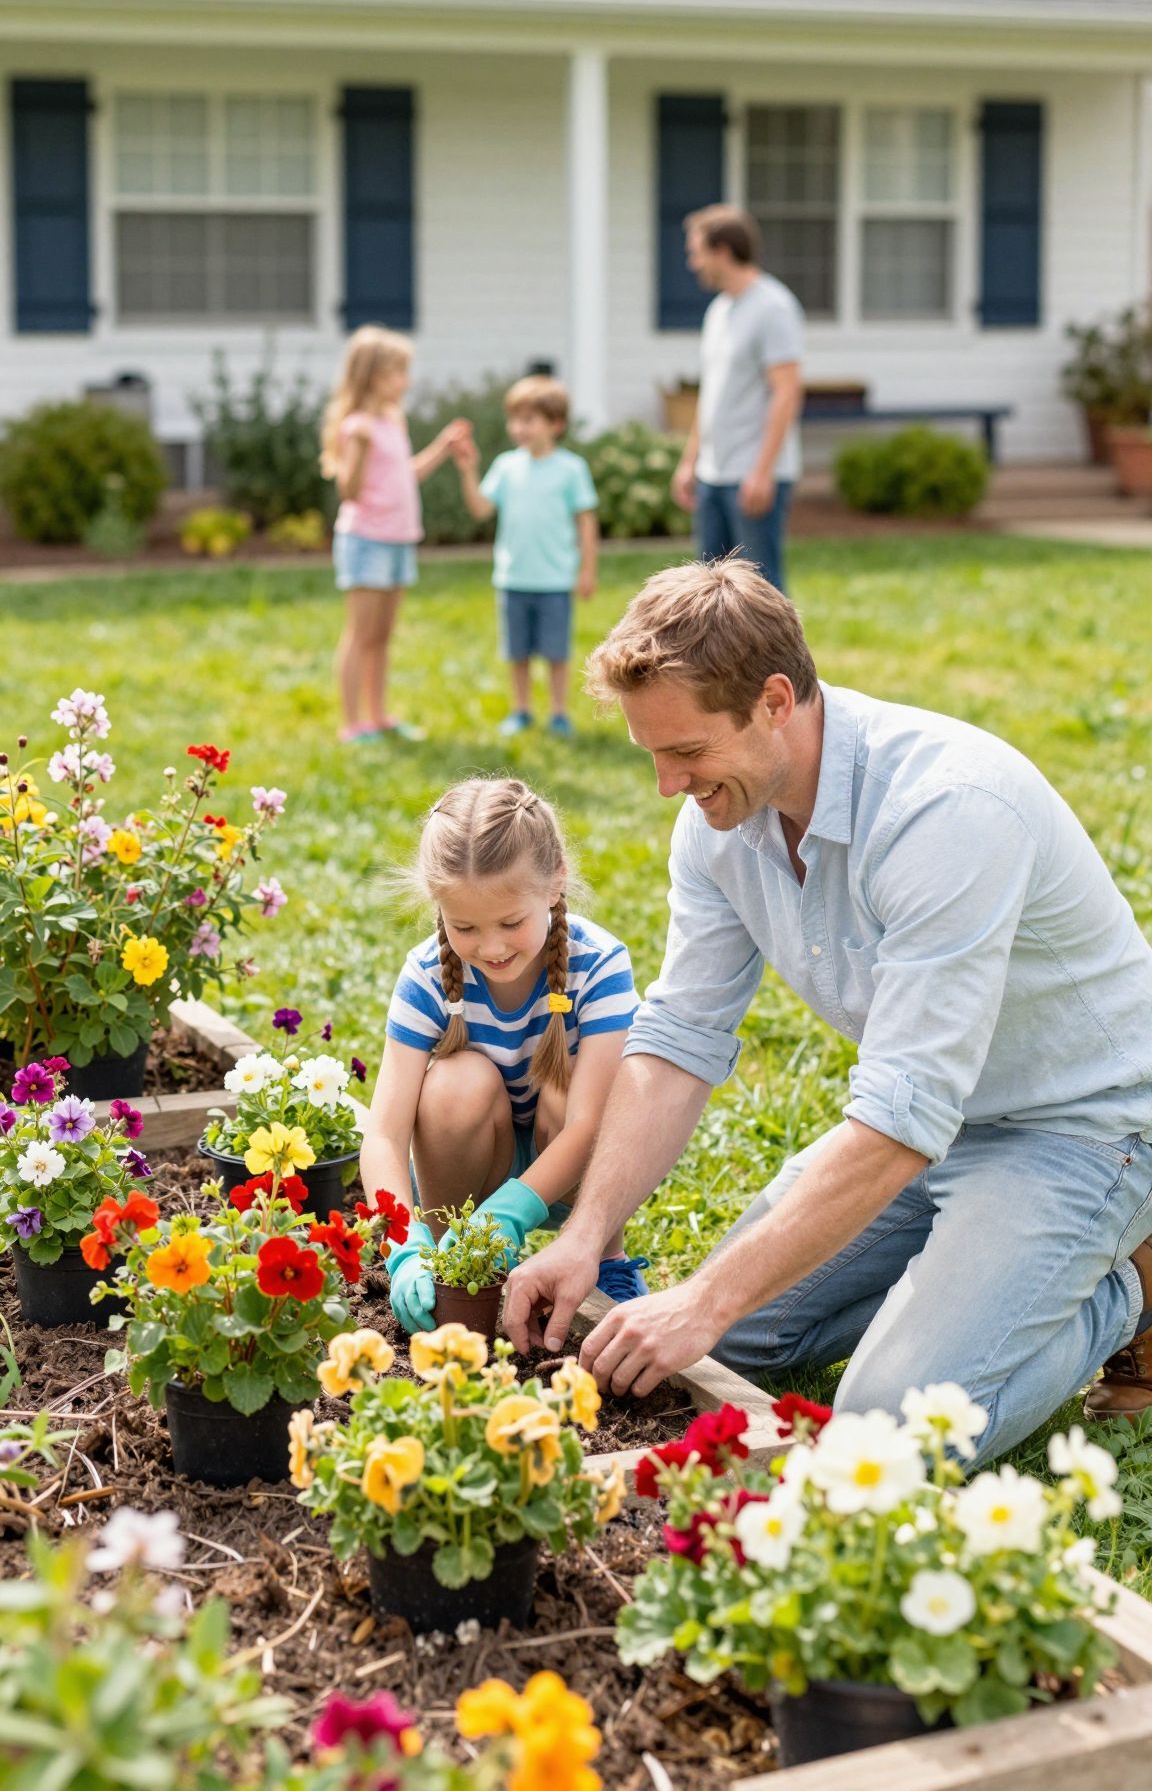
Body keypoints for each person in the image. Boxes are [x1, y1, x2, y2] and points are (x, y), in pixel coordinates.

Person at [503, 559, 1152, 1461]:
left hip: (1082, 1129)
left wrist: (704, 1295)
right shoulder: (720, 826)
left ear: (775, 700)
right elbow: (679, 1043)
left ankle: (1125, 1286)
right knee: (723, 1347)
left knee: (882, 1436)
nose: (666, 785)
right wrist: (586, 1235)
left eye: (686, 752)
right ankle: (982, 1276)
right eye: (652, 753)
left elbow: (898, 1117)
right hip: (937, 1122)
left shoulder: (946, 811)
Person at [359, 776, 650, 1334]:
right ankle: (450, 1260)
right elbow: (383, 1133)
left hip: (568, 1157)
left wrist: (512, 1213)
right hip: (470, 1159)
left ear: (556, 881)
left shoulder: (601, 965)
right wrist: (403, 1244)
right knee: (453, 1083)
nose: (491, 947)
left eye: (511, 923)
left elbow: (590, 1125)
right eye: (464, 926)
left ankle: (603, 1255)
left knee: (578, 1094)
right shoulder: (427, 975)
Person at [320, 326, 472, 742]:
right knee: (360, 633)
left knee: (383, 635)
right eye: (396, 373)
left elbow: (405, 476)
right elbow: (348, 491)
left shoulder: (392, 421)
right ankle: (352, 724)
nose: (405, 381)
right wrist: (361, 449)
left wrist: (442, 446)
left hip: (398, 539)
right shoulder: (359, 427)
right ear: (370, 375)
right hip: (366, 541)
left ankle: (379, 715)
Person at [454, 376, 598, 738]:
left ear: (556, 424)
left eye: (529, 420)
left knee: (556, 653)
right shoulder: (506, 466)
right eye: (515, 420)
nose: (520, 428)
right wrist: (468, 470)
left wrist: (587, 570)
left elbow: (586, 523)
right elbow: (480, 508)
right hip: (513, 578)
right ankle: (520, 711)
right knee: (516, 652)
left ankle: (559, 713)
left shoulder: (571, 469)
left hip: (554, 581)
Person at [671, 205, 804, 593]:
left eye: (697, 252)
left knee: (761, 592)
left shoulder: (773, 308)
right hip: (714, 474)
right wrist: (690, 460)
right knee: (709, 593)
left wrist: (762, 471)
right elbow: (712, 394)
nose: (692, 263)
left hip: (752, 475)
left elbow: (787, 392)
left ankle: (779, 657)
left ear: (724, 251)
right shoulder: (719, 310)